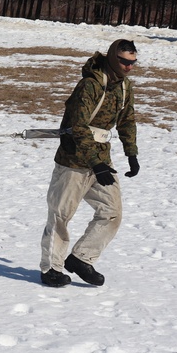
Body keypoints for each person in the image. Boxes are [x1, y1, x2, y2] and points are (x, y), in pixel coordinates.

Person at [40, 39, 140, 287]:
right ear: (112, 58)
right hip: (74, 161)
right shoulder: (90, 85)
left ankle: (81, 258)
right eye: (124, 62)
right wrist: (96, 163)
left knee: (111, 213)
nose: (129, 67)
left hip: (101, 161)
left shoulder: (125, 87)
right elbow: (78, 127)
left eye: (133, 62)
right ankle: (51, 269)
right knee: (60, 215)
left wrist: (132, 154)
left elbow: (127, 120)